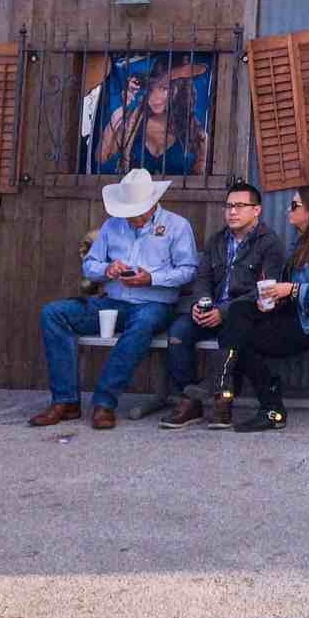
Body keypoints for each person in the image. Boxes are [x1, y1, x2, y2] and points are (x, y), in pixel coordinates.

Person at [30, 169, 199, 429]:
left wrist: (150, 278)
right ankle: (66, 401)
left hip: (154, 304)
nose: (131, 218)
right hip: (113, 301)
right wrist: (107, 270)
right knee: (54, 313)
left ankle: (104, 402)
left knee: (142, 324)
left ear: (153, 203)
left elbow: (188, 271)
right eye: (128, 212)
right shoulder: (112, 224)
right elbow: (90, 266)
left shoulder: (177, 226)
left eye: (137, 212)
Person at [211, 184, 309, 433]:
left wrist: (291, 290)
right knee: (239, 312)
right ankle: (229, 382)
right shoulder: (302, 241)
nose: (288, 209)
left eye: (294, 205)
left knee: (247, 339)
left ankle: (268, 406)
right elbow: (292, 287)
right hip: (300, 313)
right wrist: (273, 299)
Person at [159, 178, 285, 429]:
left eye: (240, 206)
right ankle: (191, 400)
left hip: (244, 315)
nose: (232, 212)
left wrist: (223, 311)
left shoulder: (270, 243)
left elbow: (264, 290)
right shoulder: (217, 240)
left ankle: (222, 402)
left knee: (234, 332)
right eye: (228, 206)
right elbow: (203, 278)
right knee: (179, 334)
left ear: (256, 210)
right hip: (212, 310)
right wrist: (201, 304)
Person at [96, 57, 210, 175]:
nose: (154, 97)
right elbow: (101, 158)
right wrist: (118, 114)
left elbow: (201, 179)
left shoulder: (197, 135)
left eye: (163, 88)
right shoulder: (131, 125)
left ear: (178, 90)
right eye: (150, 89)